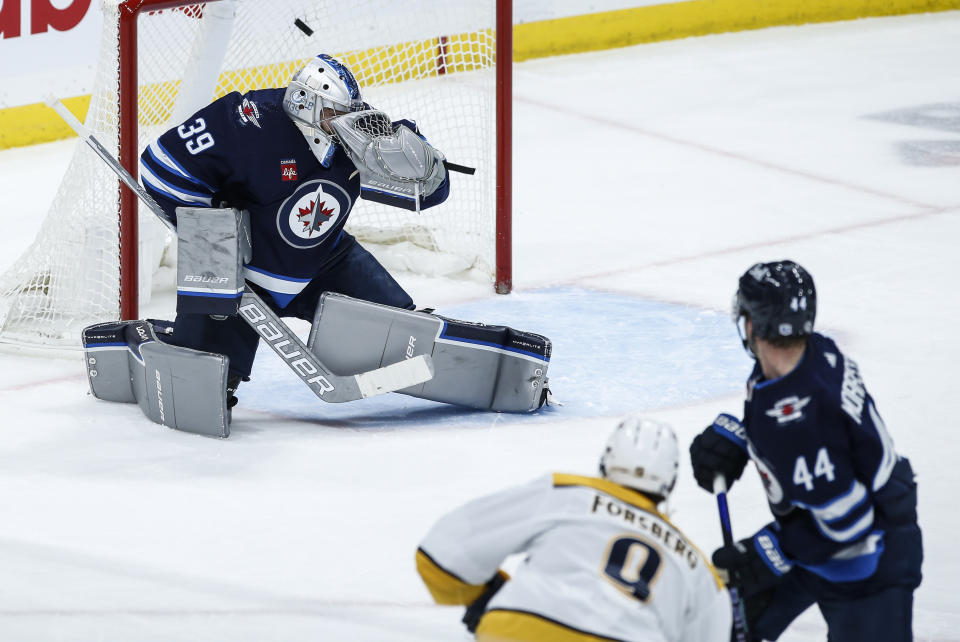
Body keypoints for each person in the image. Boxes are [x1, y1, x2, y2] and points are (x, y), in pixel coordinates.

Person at [138, 54, 449, 407]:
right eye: (334, 114)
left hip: (324, 260)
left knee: (405, 333)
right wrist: (214, 237)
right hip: (246, 269)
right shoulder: (247, 120)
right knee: (205, 382)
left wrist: (422, 166)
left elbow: (426, 196)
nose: (343, 123)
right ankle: (192, 362)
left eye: (347, 112)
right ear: (307, 104)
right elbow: (158, 165)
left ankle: (445, 356)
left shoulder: (354, 140)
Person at [689, 260, 922, 641]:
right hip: (820, 533)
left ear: (754, 325)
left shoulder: (802, 419)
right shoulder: (809, 355)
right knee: (717, 625)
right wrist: (743, 438)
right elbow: (805, 442)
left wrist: (766, 553)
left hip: (870, 561)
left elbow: (850, 525)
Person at [416, 415, 733, 642]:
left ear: (606, 461)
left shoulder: (567, 493)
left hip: (519, 628)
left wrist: (482, 598)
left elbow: (442, 553)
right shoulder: (694, 564)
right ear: (671, 481)